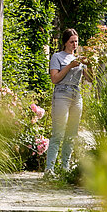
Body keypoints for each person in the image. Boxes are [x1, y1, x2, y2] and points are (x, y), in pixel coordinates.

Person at [47, 28, 86, 174]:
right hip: (62, 94)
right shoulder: (57, 57)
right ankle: (49, 169)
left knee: (71, 133)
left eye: (76, 41)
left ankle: (65, 168)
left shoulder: (79, 58)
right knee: (58, 132)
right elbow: (54, 79)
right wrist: (70, 66)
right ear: (65, 42)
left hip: (76, 95)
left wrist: (88, 65)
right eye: (71, 42)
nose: (74, 44)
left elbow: (89, 79)